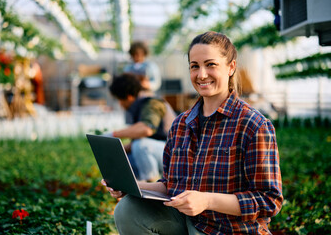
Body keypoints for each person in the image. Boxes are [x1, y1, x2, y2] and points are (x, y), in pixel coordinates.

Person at [102, 31, 283, 234]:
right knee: (128, 209)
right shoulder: (181, 124)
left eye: (210, 64)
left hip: (229, 229)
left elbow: (269, 200)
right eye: (195, 66)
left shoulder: (253, 125)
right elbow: (171, 185)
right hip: (189, 222)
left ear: (231, 67)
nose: (201, 74)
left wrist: (207, 200)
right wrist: (132, 185)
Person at [107, 73, 175, 182]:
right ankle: (132, 192)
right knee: (124, 159)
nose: (120, 104)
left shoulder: (152, 103)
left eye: (120, 100)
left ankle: (152, 188)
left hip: (174, 154)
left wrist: (113, 134)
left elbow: (147, 129)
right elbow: (135, 144)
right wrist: (116, 151)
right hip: (158, 151)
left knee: (141, 146)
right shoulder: (136, 106)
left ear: (128, 97)